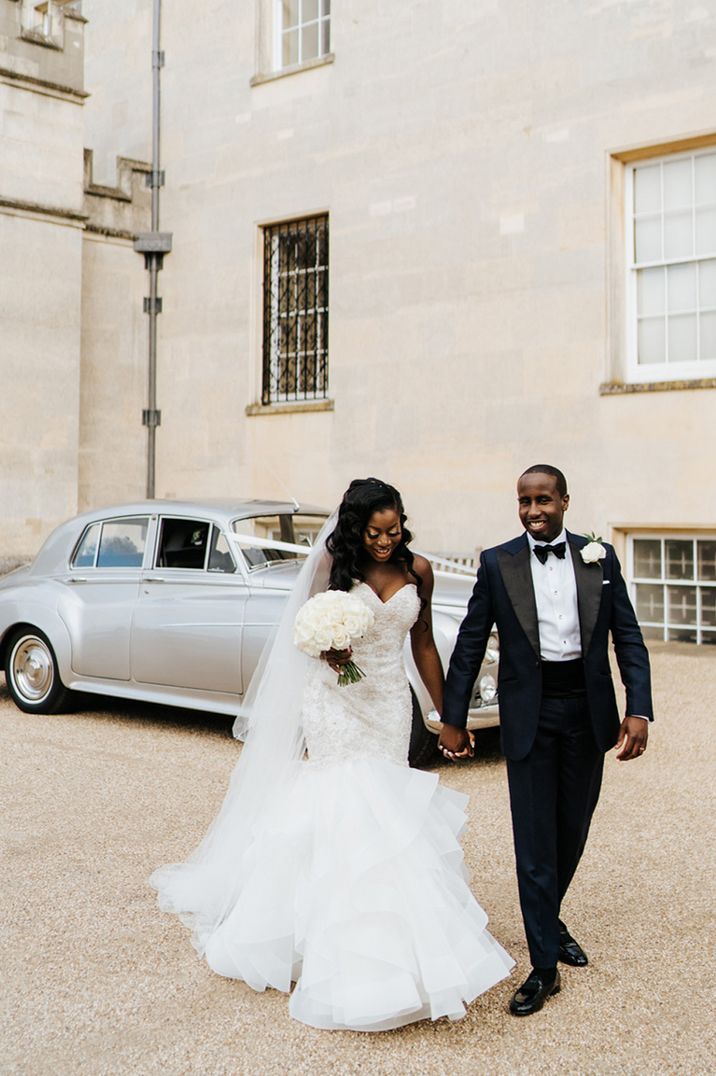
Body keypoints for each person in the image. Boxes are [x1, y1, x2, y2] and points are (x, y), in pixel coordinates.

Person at [150, 478, 513, 1031]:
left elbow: (421, 644)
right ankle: (327, 946)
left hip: (389, 703)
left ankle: (398, 944)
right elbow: (304, 632)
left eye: (393, 530)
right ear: (355, 528)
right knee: (343, 806)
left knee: (387, 814)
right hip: (337, 702)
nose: (386, 541)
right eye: (375, 532)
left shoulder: (419, 572)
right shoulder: (332, 565)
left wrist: (448, 719)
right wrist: (331, 646)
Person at [439, 465, 653, 1017]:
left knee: (572, 829)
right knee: (534, 840)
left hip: (587, 710)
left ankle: (548, 919)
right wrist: (453, 717)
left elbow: (626, 635)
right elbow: (469, 641)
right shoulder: (497, 561)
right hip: (529, 713)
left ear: (564, 501)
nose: (533, 510)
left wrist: (640, 709)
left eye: (543, 500)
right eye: (523, 501)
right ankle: (543, 966)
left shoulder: (599, 557)